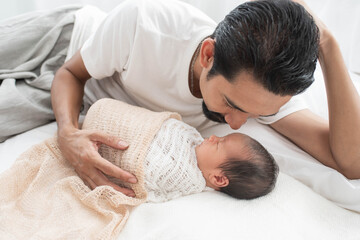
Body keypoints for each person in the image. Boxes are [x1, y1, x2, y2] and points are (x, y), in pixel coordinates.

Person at [1, 0, 360, 198]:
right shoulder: (146, 23)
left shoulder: (260, 92)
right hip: (66, 42)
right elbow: (71, 73)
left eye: (253, 115)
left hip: (81, 102)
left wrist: (328, 44)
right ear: (208, 55)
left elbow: (351, 162)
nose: (235, 124)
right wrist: (67, 133)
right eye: (231, 104)